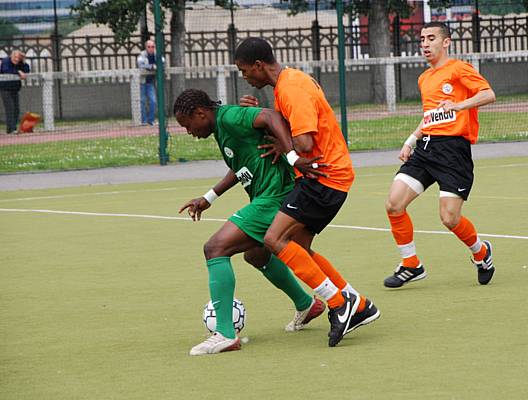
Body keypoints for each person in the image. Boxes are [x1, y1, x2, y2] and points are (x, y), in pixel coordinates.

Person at [234, 37, 380, 348]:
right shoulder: (289, 82)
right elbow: (290, 132)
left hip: (322, 177)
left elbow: (303, 146)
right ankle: (359, 303)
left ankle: (339, 304)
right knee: (300, 249)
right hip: (325, 177)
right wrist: (268, 121)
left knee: (274, 240)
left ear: (259, 65)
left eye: (244, 71)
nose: (244, 77)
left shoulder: (291, 89)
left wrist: (279, 137)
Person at [174, 89, 326, 355]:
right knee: (256, 255)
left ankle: (224, 333)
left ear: (200, 113)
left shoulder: (230, 116)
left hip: (276, 196)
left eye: (187, 125)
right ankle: (306, 305)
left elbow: (269, 116)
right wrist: (210, 197)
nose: (189, 131)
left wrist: (292, 156)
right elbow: (242, 164)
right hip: (268, 196)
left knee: (215, 248)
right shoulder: (223, 127)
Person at [383, 22, 496, 289]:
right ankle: (411, 264)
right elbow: (431, 117)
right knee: (394, 203)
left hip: (453, 151)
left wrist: (459, 105)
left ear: (446, 42)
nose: (424, 43)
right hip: (426, 149)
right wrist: (411, 140)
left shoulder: (458, 69)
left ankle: (481, 252)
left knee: (449, 218)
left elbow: (488, 94)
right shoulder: (424, 78)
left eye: (431, 38)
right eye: (422, 38)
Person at [0, 50, 30, 134]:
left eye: (18, 58)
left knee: (16, 109)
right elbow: (7, 70)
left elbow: (27, 70)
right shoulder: (6, 61)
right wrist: (18, 72)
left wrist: (23, 62)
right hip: (5, 89)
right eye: (15, 57)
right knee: (10, 109)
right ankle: (11, 129)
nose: (16, 59)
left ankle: (13, 128)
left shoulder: (20, 62)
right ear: (11, 56)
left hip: (14, 89)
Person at [137, 40, 158, 125]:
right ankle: (144, 121)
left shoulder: (157, 55)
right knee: (142, 101)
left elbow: (163, 62)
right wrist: (152, 66)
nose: (151, 48)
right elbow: (141, 64)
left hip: (150, 82)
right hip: (142, 82)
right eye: (149, 47)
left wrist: (157, 65)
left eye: (152, 47)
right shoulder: (142, 55)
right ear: (146, 47)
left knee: (153, 101)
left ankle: (151, 120)